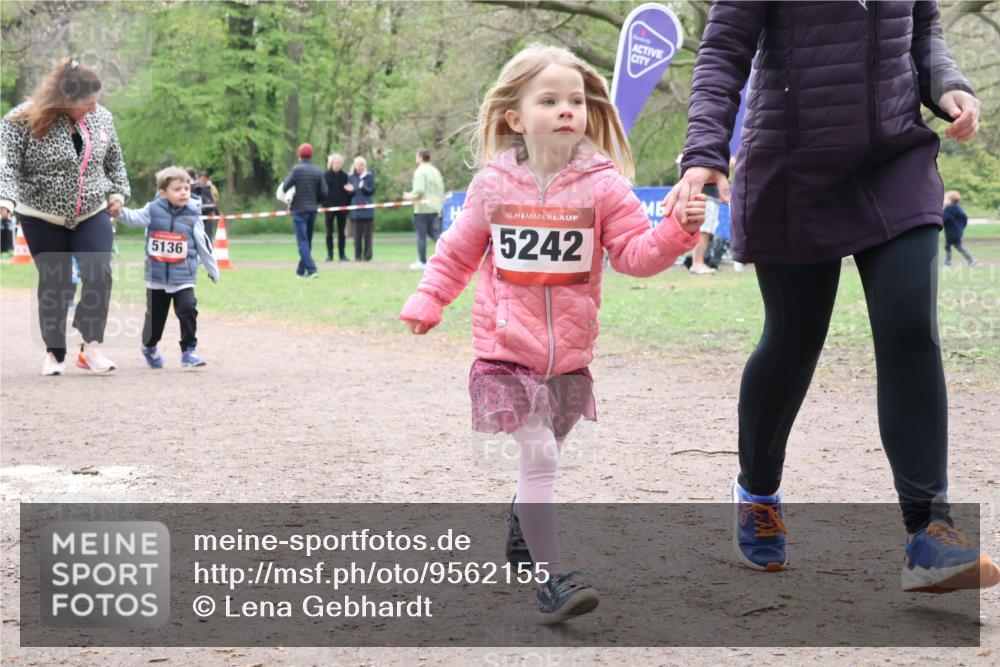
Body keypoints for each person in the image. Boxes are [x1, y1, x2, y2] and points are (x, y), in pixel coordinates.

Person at [665, 0, 998, 591]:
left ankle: (928, 532)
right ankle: (758, 492)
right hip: (794, 167)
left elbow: (921, 33)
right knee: (794, 341)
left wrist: (949, 86)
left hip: (895, 159)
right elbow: (722, 52)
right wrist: (704, 152)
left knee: (909, 327)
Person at [399, 44, 705, 623]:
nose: (567, 109)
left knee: (540, 458)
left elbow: (636, 256)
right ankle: (552, 579)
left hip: (568, 361)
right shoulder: (493, 187)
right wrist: (429, 297)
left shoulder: (603, 186)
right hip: (504, 354)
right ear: (516, 117)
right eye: (550, 100)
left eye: (576, 100)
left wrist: (676, 232)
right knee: (538, 455)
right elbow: (458, 253)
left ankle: (522, 519)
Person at [0, 55, 130, 375]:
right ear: (65, 99)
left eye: (97, 102)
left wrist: (117, 193)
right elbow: (8, 167)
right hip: (40, 213)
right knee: (56, 283)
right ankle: (54, 354)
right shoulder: (21, 119)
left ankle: (91, 348)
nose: (93, 109)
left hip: (91, 210)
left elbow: (115, 163)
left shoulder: (102, 119)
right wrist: (5, 199)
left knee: (99, 273)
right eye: (87, 103)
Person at [115, 167, 218, 368]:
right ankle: (149, 346)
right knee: (155, 319)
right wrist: (118, 211)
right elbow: (134, 218)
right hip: (157, 276)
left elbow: (203, 243)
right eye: (177, 189)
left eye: (187, 188)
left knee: (188, 309)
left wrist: (212, 269)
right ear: (163, 192)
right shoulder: (152, 210)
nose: (184, 193)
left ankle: (189, 351)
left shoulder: (193, 212)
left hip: (184, 275)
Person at [281, 143, 328, 278]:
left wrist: (292, 194)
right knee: (307, 241)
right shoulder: (317, 171)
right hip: (312, 209)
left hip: (299, 210)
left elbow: (285, 187)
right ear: (311, 155)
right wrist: (316, 201)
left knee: (302, 241)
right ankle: (300, 271)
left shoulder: (296, 170)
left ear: (299, 155)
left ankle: (312, 270)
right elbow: (324, 192)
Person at [404, 148, 446, 270]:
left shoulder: (420, 171)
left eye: (416, 156)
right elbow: (441, 189)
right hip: (435, 207)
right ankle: (451, 252)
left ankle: (422, 261)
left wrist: (409, 196)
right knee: (434, 234)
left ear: (420, 158)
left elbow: (419, 190)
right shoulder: (435, 171)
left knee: (421, 236)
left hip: (422, 208)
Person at [346, 156, 375, 262]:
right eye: (358, 164)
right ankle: (357, 256)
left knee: (368, 236)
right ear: (355, 165)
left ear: (365, 166)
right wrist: (352, 190)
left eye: (362, 165)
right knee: (356, 237)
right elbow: (349, 194)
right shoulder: (351, 177)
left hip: (367, 211)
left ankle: (367, 256)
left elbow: (371, 191)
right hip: (355, 212)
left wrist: (363, 187)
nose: (360, 167)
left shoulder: (369, 176)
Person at [323, 153, 351, 262]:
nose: (337, 165)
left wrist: (347, 204)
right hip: (329, 209)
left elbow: (348, 193)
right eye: (336, 163)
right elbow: (322, 193)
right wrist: (325, 205)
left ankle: (342, 254)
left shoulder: (345, 176)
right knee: (329, 232)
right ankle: (330, 254)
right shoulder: (325, 176)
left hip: (342, 209)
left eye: (339, 163)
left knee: (341, 232)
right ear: (331, 164)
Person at [943, 190, 976, 268]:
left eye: (945, 198)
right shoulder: (958, 208)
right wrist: (961, 228)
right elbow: (964, 219)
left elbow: (944, 218)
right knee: (958, 246)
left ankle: (948, 263)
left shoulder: (949, 209)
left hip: (951, 233)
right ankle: (971, 260)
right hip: (957, 232)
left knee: (948, 246)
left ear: (950, 200)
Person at [196, 171, 220, 241]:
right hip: (198, 215)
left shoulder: (212, 188)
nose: (203, 181)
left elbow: (215, 202)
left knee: (208, 233)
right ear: (199, 178)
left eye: (205, 179)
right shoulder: (195, 188)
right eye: (202, 179)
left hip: (208, 214)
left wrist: (217, 213)